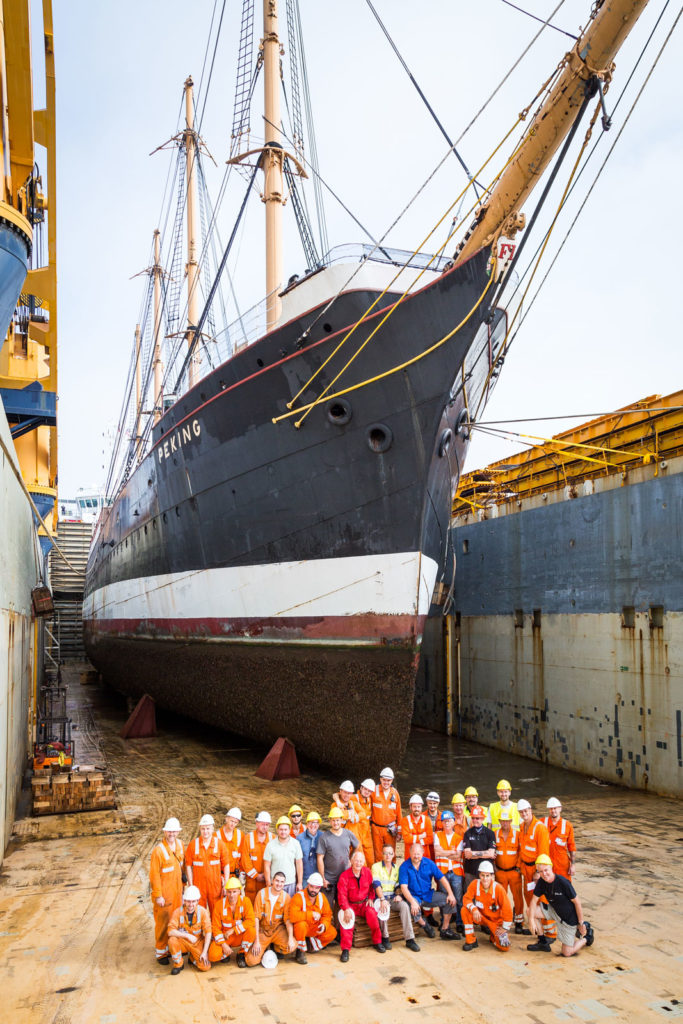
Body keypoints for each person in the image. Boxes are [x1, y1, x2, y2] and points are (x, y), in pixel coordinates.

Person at [527, 854, 594, 956]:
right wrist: (531, 919)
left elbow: (577, 902)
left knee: (566, 953)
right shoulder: (541, 882)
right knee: (529, 911)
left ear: (551, 867)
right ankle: (543, 942)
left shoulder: (563, 882)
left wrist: (581, 923)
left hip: (568, 919)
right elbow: (533, 901)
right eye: (541, 871)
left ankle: (587, 937)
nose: (544, 874)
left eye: (546, 870)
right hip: (554, 911)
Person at [398, 842, 457, 940]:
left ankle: (445, 929)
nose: (416, 856)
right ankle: (424, 925)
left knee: (449, 900)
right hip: (414, 896)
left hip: (428, 895)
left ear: (422, 853)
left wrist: (451, 894)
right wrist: (412, 902)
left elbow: (442, 878)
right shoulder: (404, 867)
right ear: (410, 853)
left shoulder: (429, 863)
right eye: (414, 853)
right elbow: (404, 887)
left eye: (418, 854)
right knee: (410, 907)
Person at [337, 849, 385, 962]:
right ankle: (345, 950)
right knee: (346, 922)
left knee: (373, 915)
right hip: (351, 905)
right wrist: (346, 908)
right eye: (356, 860)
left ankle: (377, 942)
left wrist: (371, 898)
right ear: (351, 861)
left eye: (360, 861)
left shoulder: (367, 872)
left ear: (363, 862)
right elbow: (342, 894)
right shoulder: (344, 876)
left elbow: (371, 887)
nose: (358, 863)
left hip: (364, 903)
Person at [372, 842, 420, 951]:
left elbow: (399, 885)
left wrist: (399, 895)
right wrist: (382, 899)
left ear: (393, 854)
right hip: (380, 897)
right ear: (382, 855)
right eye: (385, 853)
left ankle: (410, 939)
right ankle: (385, 938)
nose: (387, 856)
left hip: (393, 898)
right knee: (383, 908)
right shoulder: (376, 867)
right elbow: (376, 885)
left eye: (390, 853)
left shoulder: (397, 868)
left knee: (404, 906)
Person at [149, 816, 184, 965]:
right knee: (163, 923)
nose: (172, 834)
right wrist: (158, 896)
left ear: (178, 832)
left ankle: (172, 947)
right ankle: (161, 952)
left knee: (175, 922)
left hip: (178, 893)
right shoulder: (158, 851)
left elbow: (184, 866)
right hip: (165, 896)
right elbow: (154, 875)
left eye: (174, 831)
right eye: (169, 831)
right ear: (165, 832)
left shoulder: (181, 845)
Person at [244, 870, 297, 967]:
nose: (279, 884)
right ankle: (265, 947)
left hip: (277, 930)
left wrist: (290, 938)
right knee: (251, 961)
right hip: (263, 931)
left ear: (284, 883)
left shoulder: (286, 898)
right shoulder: (262, 894)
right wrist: (257, 941)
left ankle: (275, 947)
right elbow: (256, 918)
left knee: (292, 945)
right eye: (277, 881)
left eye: (282, 882)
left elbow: (288, 920)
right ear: (272, 881)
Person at [461, 862, 513, 952]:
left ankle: (493, 937)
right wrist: (473, 909)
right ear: (479, 875)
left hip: (495, 921)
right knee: (464, 910)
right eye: (482, 875)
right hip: (481, 917)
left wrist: (505, 928)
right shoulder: (474, 884)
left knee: (504, 947)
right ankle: (471, 940)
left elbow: (507, 908)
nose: (485, 879)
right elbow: (466, 899)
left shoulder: (498, 889)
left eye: (487, 876)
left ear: (492, 876)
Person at [185, 813, 229, 917]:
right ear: (200, 829)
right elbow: (188, 866)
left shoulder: (220, 844)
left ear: (212, 828)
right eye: (203, 829)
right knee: (198, 913)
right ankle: (200, 933)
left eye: (208, 828)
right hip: (198, 887)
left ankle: (215, 933)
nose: (205, 831)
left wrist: (226, 884)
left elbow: (226, 864)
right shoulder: (193, 845)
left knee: (217, 913)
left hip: (216, 887)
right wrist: (191, 886)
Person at [288, 871, 337, 963]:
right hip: (301, 929)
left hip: (314, 928)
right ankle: (300, 951)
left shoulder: (322, 898)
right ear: (308, 884)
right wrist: (310, 914)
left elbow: (327, 915)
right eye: (311, 886)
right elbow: (292, 916)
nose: (313, 890)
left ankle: (311, 946)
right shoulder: (298, 897)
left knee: (332, 932)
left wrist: (324, 924)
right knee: (301, 925)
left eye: (316, 888)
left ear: (320, 888)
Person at [316, 806, 360, 909]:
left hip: (344, 877)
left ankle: (338, 925)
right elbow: (319, 858)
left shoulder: (348, 834)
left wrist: (351, 859)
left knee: (342, 906)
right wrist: (322, 878)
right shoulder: (324, 837)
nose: (335, 823)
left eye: (337, 820)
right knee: (327, 906)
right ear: (330, 821)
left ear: (341, 820)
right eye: (333, 820)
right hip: (329, 879)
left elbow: (357, 846)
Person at [208, 876, 256, 967]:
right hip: (225, 938)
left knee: (251, 931)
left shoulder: (246, 901)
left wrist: (233, 930)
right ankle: (227, 952)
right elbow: (215, 928)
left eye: (234, 892)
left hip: (239, 935)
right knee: (212, 956)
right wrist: (223, 945)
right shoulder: (219, 905)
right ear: (226, 892)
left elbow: (251, 921)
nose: (232, 895)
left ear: (239, 891)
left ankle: (241, 953)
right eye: (229, 892)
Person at [494, 808, 526, 933]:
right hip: (500, 872)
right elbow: (492, 853)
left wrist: (518, 867)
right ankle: (502, 919)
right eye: (503, 821)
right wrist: (494, 868)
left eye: (507, 821)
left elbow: (521, 852)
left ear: (511, 821)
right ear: (500, 821)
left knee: (518, 897)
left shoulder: (517, 834)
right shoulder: (495, 834)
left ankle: (519, 921)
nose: (505, 823)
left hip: (514, 872)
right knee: (501, 898)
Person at [167, 885, 212, 975]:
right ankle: (178, 964)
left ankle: (192, 958)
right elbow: (170, 931)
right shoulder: (178, 912)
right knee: (172, 940)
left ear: (197, 901)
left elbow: (208, 932)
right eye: (188, 901)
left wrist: (204, 952)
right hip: (183, 941)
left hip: (197, 942)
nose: (191, 904)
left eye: (193, 901)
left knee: (205, 967)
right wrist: (187, 935)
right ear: (184, 900)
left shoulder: (202, 912)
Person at [433, 809, 464, 932]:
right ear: (441, 823)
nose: (446, 823)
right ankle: (444, 920)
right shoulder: (438, 835)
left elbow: (458, 856)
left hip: (456, 873)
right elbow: (437, 852)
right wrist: (451, 852)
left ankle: (459, 922)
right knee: (443, 898)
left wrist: (444, 853)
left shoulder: (458, 838)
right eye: (444, 821)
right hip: (443, 873)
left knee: (458, 898)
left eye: (449, 821)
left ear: (453, 822)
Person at [263, 816, 303, 896]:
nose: (283, 832)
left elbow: (299, 863)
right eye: (281, 829)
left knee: (289, 906)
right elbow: (266, 865)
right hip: (275, 883)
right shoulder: (270, 845)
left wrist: (299, 883)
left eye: (285, 829)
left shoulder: (295, 844)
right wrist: (268, 882)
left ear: (289, 830)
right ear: (277, 830)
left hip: (290, 883)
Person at [241, 811, 273, 904]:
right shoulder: (248, 838)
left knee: (265, 904)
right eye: (263, 824)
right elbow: (245, 860)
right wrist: (256, 876)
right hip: (252, 881)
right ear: (257, 823)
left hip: (267, 880)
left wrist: (267, 875)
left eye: (267, 824)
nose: (265, 827)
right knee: (251, 905)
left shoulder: (273, 838)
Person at [371, 768, 402, 861]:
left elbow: (399, 814)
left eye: (388, 780)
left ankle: (392, 874)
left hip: (390, 830)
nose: (386, 782)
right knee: (378, 855)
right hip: (376, 829)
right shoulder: (373, 791)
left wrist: (399, 832)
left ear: (392, 780)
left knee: (391, 854)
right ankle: (378, 875)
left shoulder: (395, 793)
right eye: (384, 780)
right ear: (380, 779)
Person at [462, 806, 496, 890]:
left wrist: (473, 853)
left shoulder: (490, 833)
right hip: (471, 871)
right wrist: (486, 853)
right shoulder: (467, 833)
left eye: (477, 818)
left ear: (483, 818)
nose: (475, 820)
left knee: (487, 895)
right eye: (473, 818)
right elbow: (467, 854)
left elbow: (491, 853)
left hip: (486, 872)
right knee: (470, 895)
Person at [542, 798, 576, 878]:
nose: (553, 810)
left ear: (560, 808)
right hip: (546, 864)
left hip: (562, 865)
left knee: (564, 887)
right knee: (547, 888)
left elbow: (572, 847)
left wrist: (573, 865)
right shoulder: (542, 823)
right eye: (551, 808)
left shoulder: (568, 825)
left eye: (555, 808)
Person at [401, 794, 434, 860]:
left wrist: (414, 840)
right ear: (410, 807)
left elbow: (430, 839)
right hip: (409, 857)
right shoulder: (405, 820)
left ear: (421, 807)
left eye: (418, 807)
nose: (417, 809)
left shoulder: (427, 820)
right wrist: (421, 836)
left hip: (424, 856)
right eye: (414, 807)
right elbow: (407, 839)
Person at [218, 807, 244, 879]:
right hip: (220, 876)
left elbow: (243, 856)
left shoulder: (240, 835)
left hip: (235, 876)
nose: (233, 824)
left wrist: (242, 873)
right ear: (226, 819)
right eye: (232, 821)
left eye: (235, 822)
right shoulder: (216, 836)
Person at [355, 778, 376, 866]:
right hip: (357, 834)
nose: (367, 792)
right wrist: (337, 799)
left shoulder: (369, 800)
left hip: (367, 834)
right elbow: (337, 795)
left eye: (369, 791)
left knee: (371, 860)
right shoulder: (353, 798)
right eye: (365, 789)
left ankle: (370, 878)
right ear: (361, 787)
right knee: (361, 861)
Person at [299, 811, 322, 886]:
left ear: (318, 824)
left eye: (315, 823)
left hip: (319, 876)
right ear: (307, 824)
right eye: (310, 822)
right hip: (305, 877)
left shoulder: (323, 836)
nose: (313, 825)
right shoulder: (299, 838)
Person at [425, 792, 440, 856]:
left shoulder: (442, 817)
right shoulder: (422, 816)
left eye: (434, 803)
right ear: (427, 803)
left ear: (438, 803)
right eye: (430, 803)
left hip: (438, 847)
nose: (432, 806)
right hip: (426, 846)